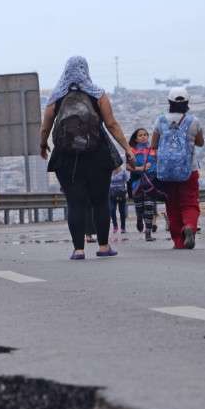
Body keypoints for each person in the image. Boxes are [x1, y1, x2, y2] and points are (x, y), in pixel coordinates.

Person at [40, 56, 134, 260]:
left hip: (66, 158)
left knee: (75, 203)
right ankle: (103, 246)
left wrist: (43, 144)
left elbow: (46, 125)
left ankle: (78, 250)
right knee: (100, 201)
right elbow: (112, 124)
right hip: (97, 155)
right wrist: (126, 147)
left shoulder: (56, 96)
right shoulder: (98, 94)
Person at [151, 87, 204, 249]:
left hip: (166, 172)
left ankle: (178, 241)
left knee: (172, 205)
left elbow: (153, 145)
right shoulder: (193, 121)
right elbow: (200, 143)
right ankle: (189, 226)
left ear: (169, 102)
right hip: (189, 169)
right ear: (187, 102)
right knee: (190, 203)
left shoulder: (160, 121)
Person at [128, 128, 158, 242]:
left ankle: (148, 233)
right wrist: (141, 168)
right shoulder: (131, 150)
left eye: (145, 134)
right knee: (140, 208)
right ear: (136, 138)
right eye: (140, 135)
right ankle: (139, 218)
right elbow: (128, 167)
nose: (143, 137)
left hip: (151, 182)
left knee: (150, 207)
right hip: (137, 183)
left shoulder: (153, 150)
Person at [109, 166, 129, 234]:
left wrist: (127, 193)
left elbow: (126, 182)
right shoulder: (109, 171)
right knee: (112, 210)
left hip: (121, 193)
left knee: (122, 211)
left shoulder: (123, 171)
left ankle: (123, 227)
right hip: (112, 193)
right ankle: (115, 226)